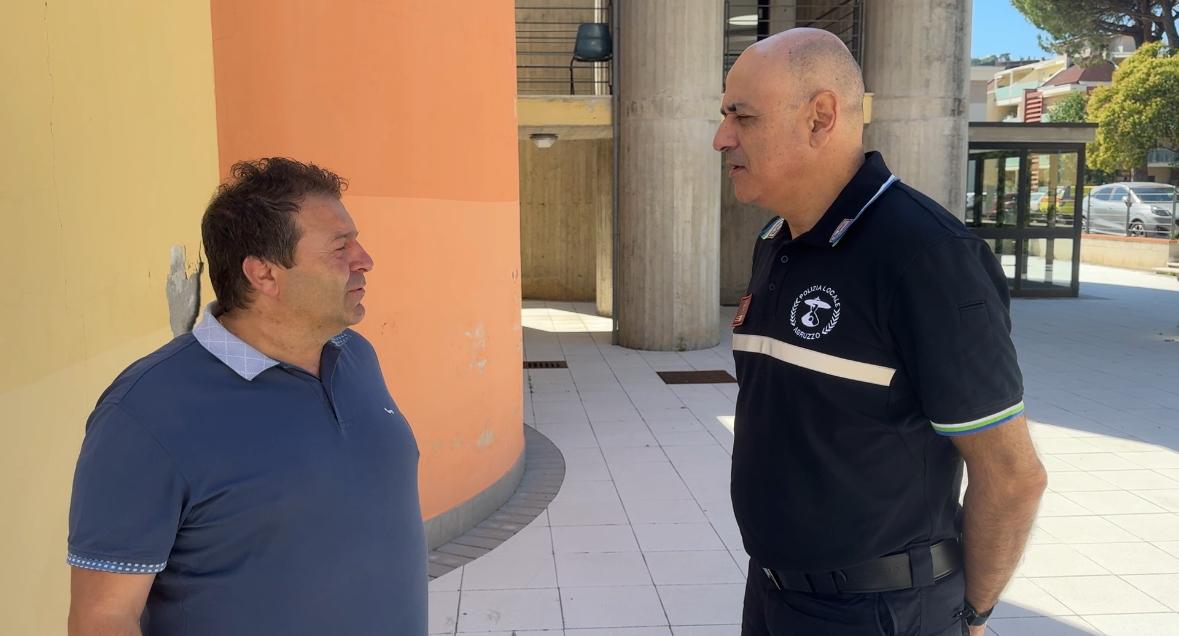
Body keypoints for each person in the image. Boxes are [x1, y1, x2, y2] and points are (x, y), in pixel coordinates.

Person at [714, 29, 1047, 636]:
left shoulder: (927, 257)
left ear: (820, 117)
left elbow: (1012, 477)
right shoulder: (777, 242)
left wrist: (971, 615)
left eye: (743, 117)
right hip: (772, 593)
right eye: (724, 116)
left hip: (878, 612)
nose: (722, 137)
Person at [66, 158, 427, 635]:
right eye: (340, 247)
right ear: (264, 275)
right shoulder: (144, 413)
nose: (364, 260)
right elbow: (103, 617)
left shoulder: (355, 356)